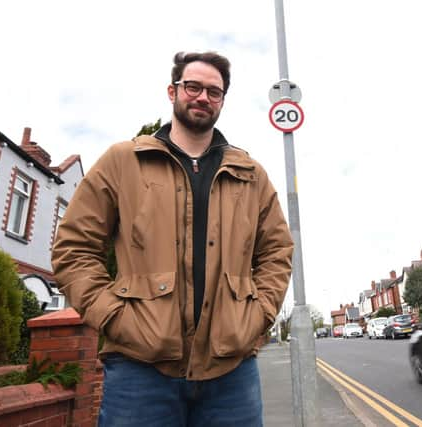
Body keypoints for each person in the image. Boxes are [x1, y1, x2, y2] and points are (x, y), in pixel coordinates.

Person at [51, 51, 294, 426]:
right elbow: (74, 247)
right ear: (172, 91)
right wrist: (114, 316)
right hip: (139, 370)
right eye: (193, 87)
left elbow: (277, 251)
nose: (202, 97)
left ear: (222, 101)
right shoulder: (123, 161)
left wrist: (258, 315)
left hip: (231, 373)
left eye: (214, 92)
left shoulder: (250, 174)